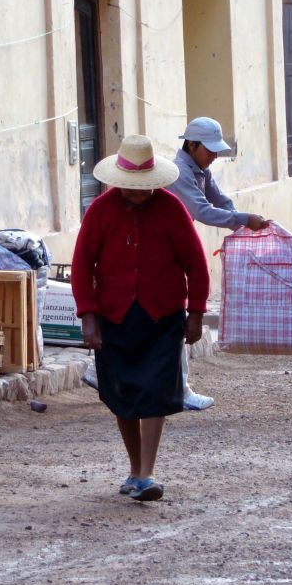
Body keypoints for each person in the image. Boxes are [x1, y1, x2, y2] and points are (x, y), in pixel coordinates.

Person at [71, 134, 210, 502]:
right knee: (122, 396)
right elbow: (83, 267)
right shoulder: (100, 212)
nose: (136, 194)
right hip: (114, 317)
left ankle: (147, 473)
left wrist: (195, 313)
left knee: (154, 393)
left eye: (142, 189)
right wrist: (88, 316)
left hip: (162, 317)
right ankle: (135, 469)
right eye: (130, 188)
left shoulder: (172, 210)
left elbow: (196, 264)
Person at [167, 116, 270, 410]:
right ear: (191, 144)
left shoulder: (199, 170)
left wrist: (242, 223)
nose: (214, 156)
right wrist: (242, 221)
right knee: (172, 317)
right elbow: (202, 211)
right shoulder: (179, 173)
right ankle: (181, 391)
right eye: (209, 150)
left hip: (173, 248)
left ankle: (101, 371)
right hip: (165, 250)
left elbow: (220, 201)